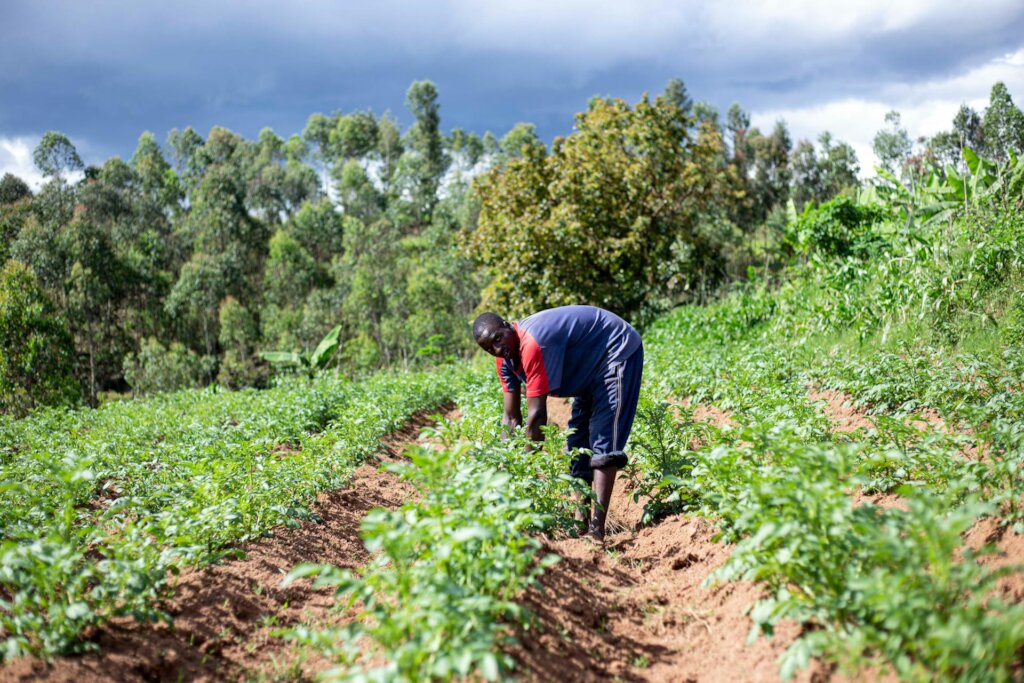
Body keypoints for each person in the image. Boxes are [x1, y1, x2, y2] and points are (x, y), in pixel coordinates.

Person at [472, 305, 644, 541]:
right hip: (586, 368)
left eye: (498, 339)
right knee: (577, 443)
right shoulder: (504, 360)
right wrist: (508, 465)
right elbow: (511, 418)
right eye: (489, 348)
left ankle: (597, 530)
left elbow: (537, 417)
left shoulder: (532, 345)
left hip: (615, 348)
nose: (497, 349)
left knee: (604, 439)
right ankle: (580, 520)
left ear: (507, 325)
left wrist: (527, 474)